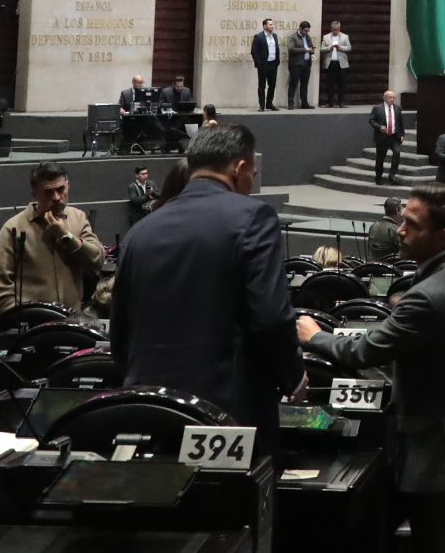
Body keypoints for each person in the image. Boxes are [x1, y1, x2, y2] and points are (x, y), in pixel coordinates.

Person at [299, 184, 445, 553]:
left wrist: (315, 337)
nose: (400, 230)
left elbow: (367, 351)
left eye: (412, 224)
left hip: (442, 458)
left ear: (442, 236)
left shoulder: (431, 295)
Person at [111, 122, 302, 436]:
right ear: (240, 168)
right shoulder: (254, 218)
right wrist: (293, 376)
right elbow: (271, 317)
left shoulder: (139, 232)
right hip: (225, 416)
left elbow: (120, 336)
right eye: (252, 175)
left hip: (147, 413)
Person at [0, 162, 111, 315]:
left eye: (60, 189)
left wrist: (66, 236)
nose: (56, 197)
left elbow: (97, 260)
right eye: (48, 192)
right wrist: (20, 317)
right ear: (35, 194)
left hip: (70, 319)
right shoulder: (13, 228)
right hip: (32, 322)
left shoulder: (78, 218)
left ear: (68, 186)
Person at [369, 90, 405, 183]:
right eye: (390, 97)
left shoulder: (397, 108)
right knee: (380, 157)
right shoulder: (377, 108)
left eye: (393, 97)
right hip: (382, 136)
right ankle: (378, 177)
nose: (392, 99)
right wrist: (379, 127)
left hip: (394, 136)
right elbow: (371, 120)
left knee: (397, 153)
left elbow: (400, 122)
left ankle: (392, 175)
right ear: (384, 98)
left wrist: (402, 134)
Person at [250, 20, 282, 111]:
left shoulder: (274, 36)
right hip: (263, 65)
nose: (272, 26)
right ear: (265, 26)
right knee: (262, 85)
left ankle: (269, 103)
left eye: (272, 24)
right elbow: (254, 51)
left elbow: (276, 49)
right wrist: (259, 63)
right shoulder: (259, 37)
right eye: (270, 24)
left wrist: (277, 61)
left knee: (272, 85)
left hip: (273, 64)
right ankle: (262, 105)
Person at [286, 21, 316, 108]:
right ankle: (290, 103)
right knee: (293, 84)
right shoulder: (293, 37)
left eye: (308, 31)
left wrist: (311, 51)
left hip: (306, 64)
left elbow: (310, 47)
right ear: (300, 29)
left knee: (304, 85)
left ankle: (304, 103)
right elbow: (291, 49)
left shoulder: (307, 37)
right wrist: (304, 50)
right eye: (305, 31)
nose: (306, 33)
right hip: (296, 64)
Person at [321, 20, 351, 105]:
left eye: (337, 29)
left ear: (339, 29)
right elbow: (322, 49)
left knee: (341, 84)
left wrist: (340, 47)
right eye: (334, 29)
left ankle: (341, 102)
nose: (335, 31)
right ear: (331, 29)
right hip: (330, 63)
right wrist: (329, 48)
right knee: (330, 84)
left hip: (341, 64)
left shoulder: (345, 37)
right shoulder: (326, 37)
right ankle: (330, 102)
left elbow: (349, 48)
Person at [126, 165, 155, 234]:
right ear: (137, 175)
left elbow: (158, 195)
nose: (145, 176)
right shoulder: (132, 187)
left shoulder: (151, 184)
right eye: (142, 174)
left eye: (146, 173)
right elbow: (135, 200)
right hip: (138, 217)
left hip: (150, 215)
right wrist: (148, 196)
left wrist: (153, 193)